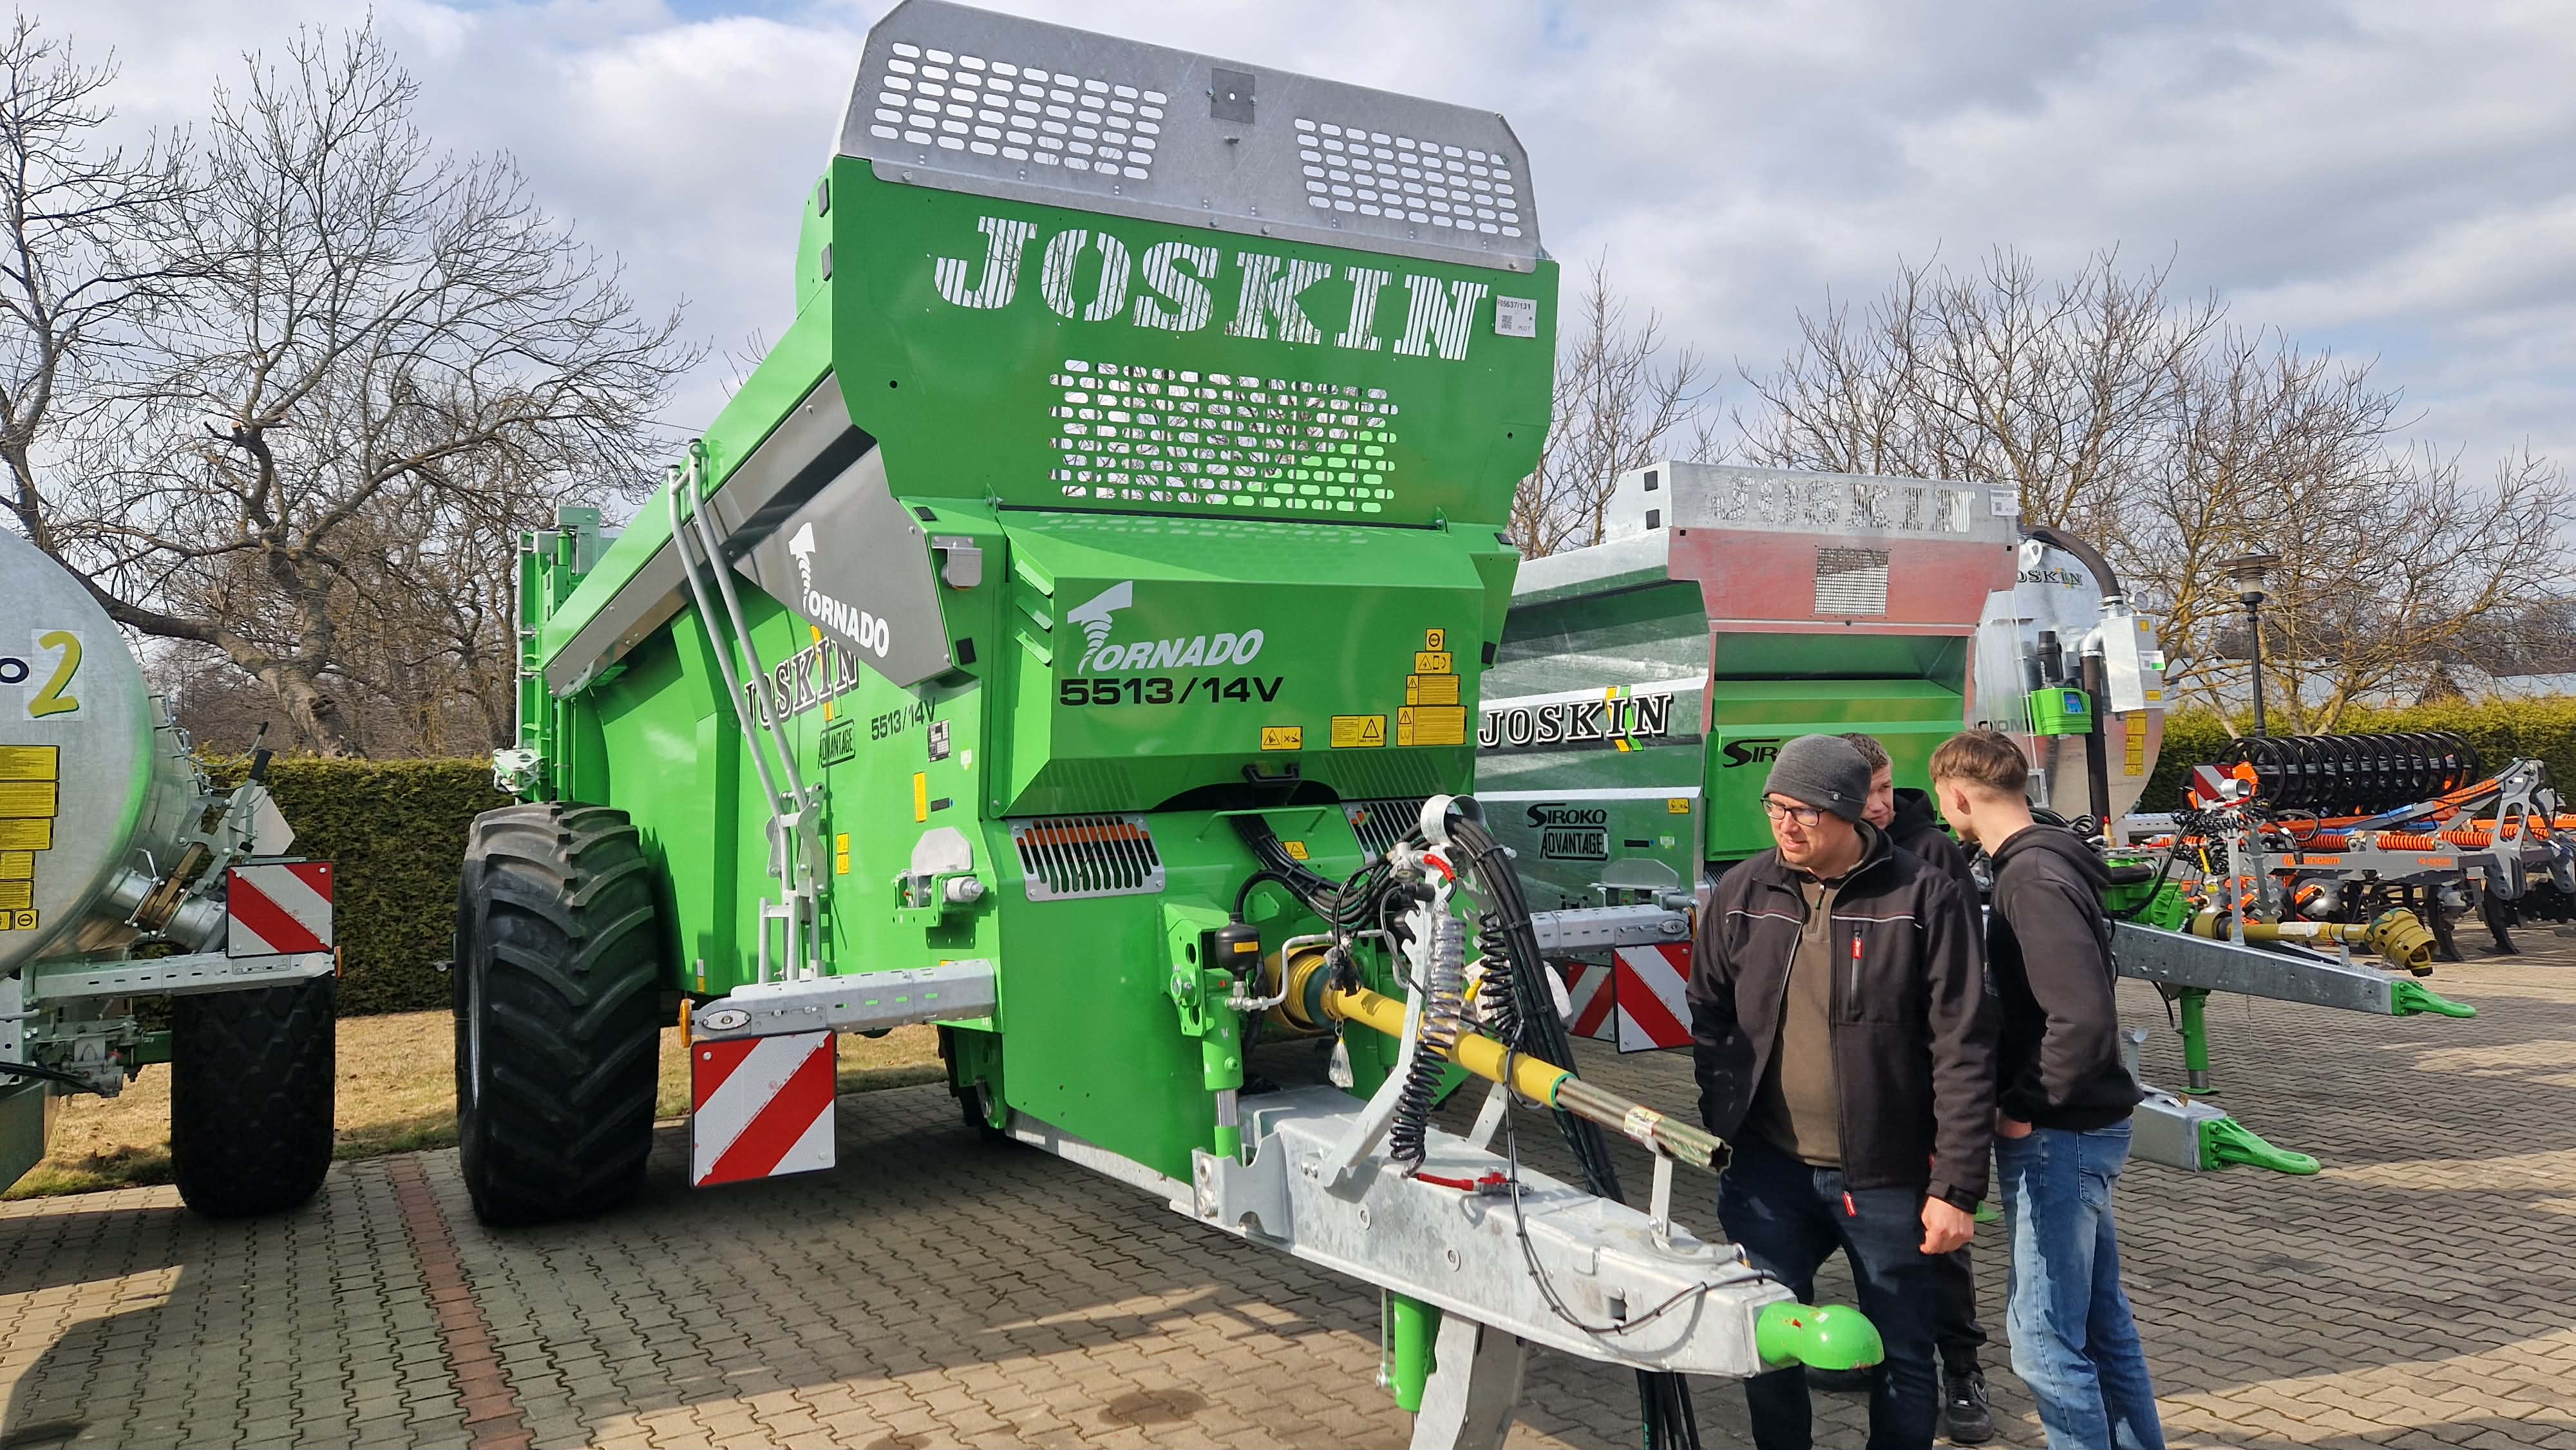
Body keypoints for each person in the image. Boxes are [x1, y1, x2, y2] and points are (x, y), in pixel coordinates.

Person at [1689, 734, 1996, 1450]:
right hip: (1767, 1174)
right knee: (1768, 1344)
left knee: (1903, 1354)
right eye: (1775, 807)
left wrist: (1954, 1186)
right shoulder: (1743, 892)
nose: (1786, 825)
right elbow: (1709, 1011)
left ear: (1850, 811)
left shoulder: (1923, 896)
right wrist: (1724, 1114)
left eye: (1805, 811)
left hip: (1886, 1176)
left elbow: (1964, 1045)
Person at [1927, 728, 2164, 1450]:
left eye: (1942, 801)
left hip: (2061, 1134)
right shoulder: (2047, 860)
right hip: (2081, 1127)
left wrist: (2022, 1106)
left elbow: (2082, 1018)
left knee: (2042, 1340)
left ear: (1959, 795)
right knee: (2099, 1322)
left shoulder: (2028, 880)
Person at [1840, 733, 1993, 1446]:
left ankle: (1962, 1370)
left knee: (1938, 1242)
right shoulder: (1825, 858)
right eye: (1866, 792)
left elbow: (1963, 990)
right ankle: (1882, 1356)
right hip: (1857, 1094)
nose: (1879, 804)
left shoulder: (1928, 852)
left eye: (1885, 787)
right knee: (1871, 1241)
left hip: (1923, 1092)